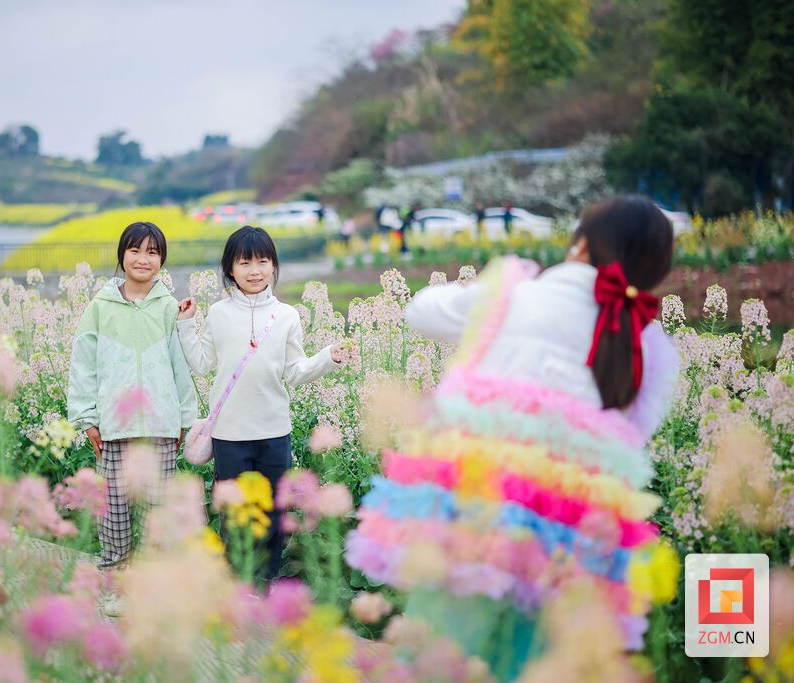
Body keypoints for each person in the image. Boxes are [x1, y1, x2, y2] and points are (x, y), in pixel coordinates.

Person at [346, 196, 679, 680]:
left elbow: (419, 312)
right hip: (572, 528)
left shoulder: (516, 293)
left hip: (478, 501)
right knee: (535, 657)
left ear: (580, 244)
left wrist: (484, 290)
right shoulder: (647, 342)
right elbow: (631, 438)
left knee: (441, 646)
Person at [176, 225, 344, 578]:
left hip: (273, 432)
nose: (255, 271)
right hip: (229, 435)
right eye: (244, 263)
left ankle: (264, 586)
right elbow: (203, 364)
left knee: (272, 513)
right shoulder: (219, 314)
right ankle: (234, 585)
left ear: (273, 266)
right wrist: (186, 326)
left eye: (263, 262)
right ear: (230, 270)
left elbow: (295, 372)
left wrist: (329, 356)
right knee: (233, 514)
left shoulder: (286, 316)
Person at [67, 221, 197, 570]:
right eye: (135, 250)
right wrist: (86, 417)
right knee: (114, 510)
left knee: (157, 510)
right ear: (122, 255)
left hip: (160, 425)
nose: (143, 259)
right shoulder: (100, 306)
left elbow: (180, 367)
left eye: (152, 253)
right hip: (115, 426)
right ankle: (116, 578)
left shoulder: (169, 307)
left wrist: (185, 417)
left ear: (162, 260)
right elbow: (83, 363)